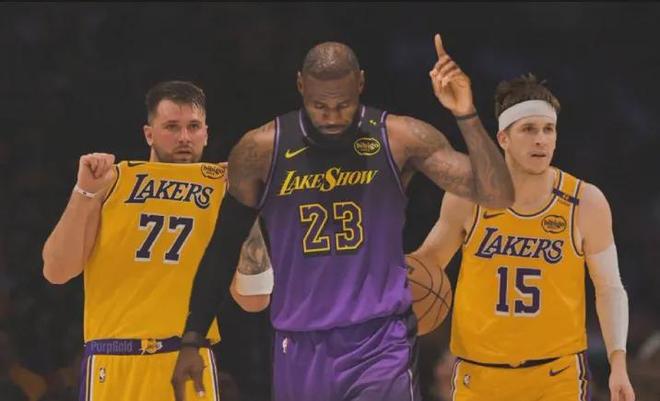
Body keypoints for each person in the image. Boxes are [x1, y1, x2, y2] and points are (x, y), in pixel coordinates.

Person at [172, 35, 515, 401]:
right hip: (300, 344)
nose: (332, 116)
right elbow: (223, 246)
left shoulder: (399, 137)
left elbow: (497, 195)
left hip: (380, 341)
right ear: (301, 85)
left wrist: (466, 114)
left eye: (343, 105)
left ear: (361, 83)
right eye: (320, 105)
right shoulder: (260, 149)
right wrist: (193, 337)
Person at [41, 81, 272, 401]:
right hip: (114, 359)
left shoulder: (223, 189)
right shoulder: (112, 180)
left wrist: (245, 205)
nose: (184, 137)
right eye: (172, 127)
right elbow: (56, 271)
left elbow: (255, 299)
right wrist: (84, 193)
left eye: (193, 127)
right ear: (149, 134)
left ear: (206, 133)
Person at [412, 74, 636, 401]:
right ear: (503, 138)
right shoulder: (468, 197)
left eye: (548, 129)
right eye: (529, 129)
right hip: (480, 375)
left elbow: (609, 287)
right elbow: (429, 262)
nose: (541, 140)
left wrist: (618, 362)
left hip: (555, 376)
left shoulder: (585, 202)